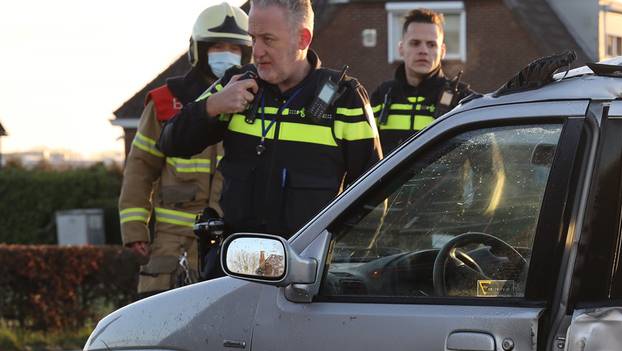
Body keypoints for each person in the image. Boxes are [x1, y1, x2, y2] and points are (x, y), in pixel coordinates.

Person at [158, 0, 382, 278]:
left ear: (303, 38)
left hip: (306, 277)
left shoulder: (344, 99)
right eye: (253, 38)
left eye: (268, 39)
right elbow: (169, 142)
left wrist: (342, 270)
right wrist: (213, 105)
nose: (257, 51)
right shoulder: (236, 84)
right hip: (235, 271)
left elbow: (374, 196)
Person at [119, 3, 251, 295]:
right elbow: (140, 167)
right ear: (198, 50)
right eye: (217, 46)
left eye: (234, 47)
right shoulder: (166, 102)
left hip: (233, 243)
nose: (226, 53)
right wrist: (135, 229)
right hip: (172, 244)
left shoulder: (256, 101)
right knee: (160, 315)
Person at [370, 9, 470, 154]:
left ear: (442, 51)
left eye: (431, 44)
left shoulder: (462, 100)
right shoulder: (382, 95)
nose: (423, 50)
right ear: (401, 48)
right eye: (415, 43)